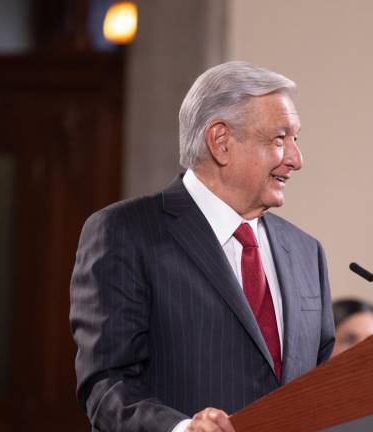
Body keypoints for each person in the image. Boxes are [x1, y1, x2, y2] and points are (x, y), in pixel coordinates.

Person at [70, 61, 335, 432]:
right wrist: (181, 429)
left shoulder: (307, 253)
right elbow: (107, 387)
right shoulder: (125, 233)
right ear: (221, 141)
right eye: (279, 139)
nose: (296, 159)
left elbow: (324, 388)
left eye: (296, 139)